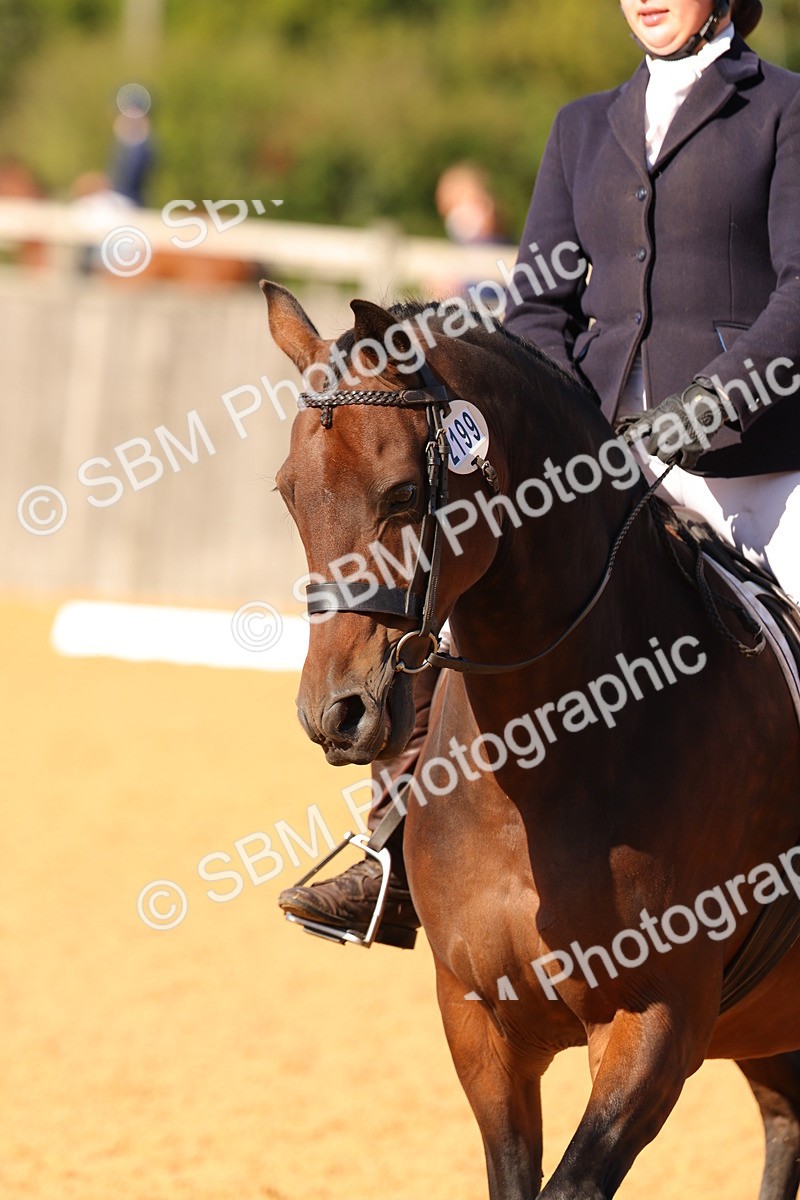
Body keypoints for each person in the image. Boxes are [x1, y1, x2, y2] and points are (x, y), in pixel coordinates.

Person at [278, 0, 800, 943]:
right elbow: (537, 310)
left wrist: (710, 403)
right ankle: (393, 855)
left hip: (751, 465)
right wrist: (562, 429)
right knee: (458, 606)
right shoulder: (583, 125)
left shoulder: (783, 110)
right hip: (600, 462)